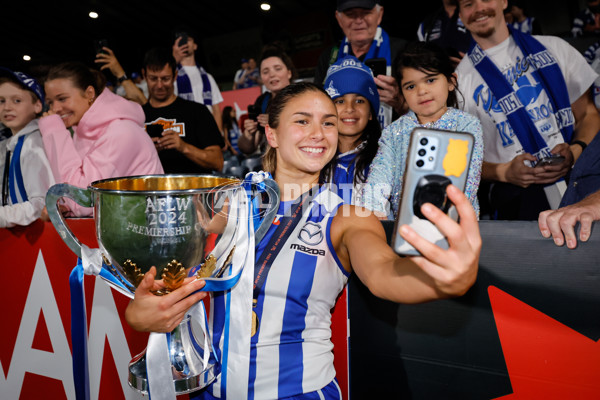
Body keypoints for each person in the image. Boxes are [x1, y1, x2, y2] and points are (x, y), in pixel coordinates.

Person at [124, 82, 482, 400]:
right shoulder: (223, 205)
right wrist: (142, 314)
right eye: (302, 121)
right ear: (273, 134)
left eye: (329, 122)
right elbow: (167, 289)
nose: (318, 133)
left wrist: (443, 278)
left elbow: (384, 273)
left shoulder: (347, 216)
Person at [456, 0, 600, 220]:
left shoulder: (555, 48)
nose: (478, 9)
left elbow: (588, 114)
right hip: (513, 198)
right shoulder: (459, 80)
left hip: (578, 180)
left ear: (504, 1)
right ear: (460, 14)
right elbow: (462, 159)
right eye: (468, 4)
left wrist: (575, 151)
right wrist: (504, 172)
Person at [360, 41, 483, 219]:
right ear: (401, 92)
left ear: (450, 81)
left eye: (430, 80)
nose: (422, 91)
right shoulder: (393, 132)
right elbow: (379, 175)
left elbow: (467, 181)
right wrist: (373, 211)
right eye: (411, 86)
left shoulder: (466, 125)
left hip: (457, 226)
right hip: (405, 229)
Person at [38, 61, 163, 217]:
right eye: (50, 102)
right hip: (120, 233)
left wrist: (54, 134)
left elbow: (83, 201)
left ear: (89, 93)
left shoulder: (121, 132)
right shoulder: (82, 132)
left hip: (144, 236)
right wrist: (66, 207)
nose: (55, 109)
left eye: (62, 99)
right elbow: (78, 198)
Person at [313, 0, 407, 127]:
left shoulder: (404, 51)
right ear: (339, 19)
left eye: (366, 13)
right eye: (350, 14)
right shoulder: (329, 56)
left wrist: (400, 102)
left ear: (379, 15)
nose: (358, 20)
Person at [141, 47, 224, 174]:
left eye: (165, 78)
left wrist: (183, 147)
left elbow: (218, 162)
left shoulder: (197, 111)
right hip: (151, 192)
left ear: (175, 75)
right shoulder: (137, 117)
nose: (159, 85)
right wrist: (148, 152)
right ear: (144, 76)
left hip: (193, 191)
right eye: (153, 78)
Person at [323, 56, 382, 205]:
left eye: (359, 101)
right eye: (340, 101)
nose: (350, 109)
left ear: (370, 113)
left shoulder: (384, 158)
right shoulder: (312, 159)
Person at [0, 68, 54, 228]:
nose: (7, 107)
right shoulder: (10, 144)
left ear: (38, 106)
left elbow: (39, 205)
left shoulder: (34, 142)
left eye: (17, 100)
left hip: (35, 239)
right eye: (1, 101)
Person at [237, 45, 296, 156]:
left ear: (289, 72)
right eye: (265, 72)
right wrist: (249, 133)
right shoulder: (262, 101)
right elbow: (247, 148)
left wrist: (276, 123)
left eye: (277, 69)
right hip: (271, 168)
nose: (272, 74)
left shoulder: (303, 97)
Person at [172, 28, 224, 133]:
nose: (185, 43)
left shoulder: (208, 77)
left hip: (207, 128)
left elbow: (216, 109)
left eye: (188, 39)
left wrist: (219, 134)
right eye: (181, 40)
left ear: (195, 46)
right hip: (184, 128)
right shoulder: (171, 76)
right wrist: (174, 60)